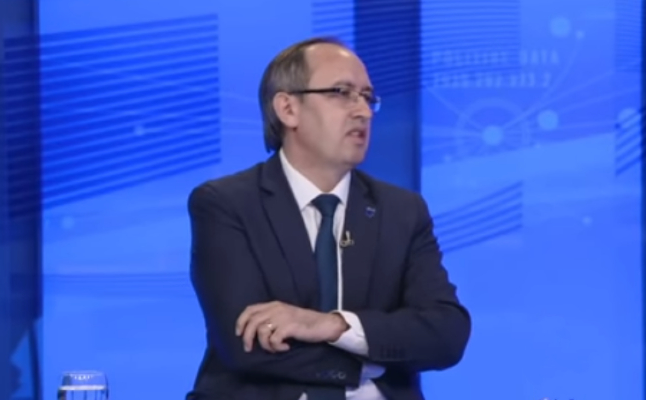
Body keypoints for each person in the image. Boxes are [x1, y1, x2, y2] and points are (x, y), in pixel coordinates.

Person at [185, 37, 471, 400]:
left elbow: (446, 334)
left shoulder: (402, 210)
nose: (363, 111)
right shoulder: (226, 203)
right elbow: (246, 342)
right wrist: (369, 360)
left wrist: (333, 326)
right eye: (341, 92)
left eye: (367, 97)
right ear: (288, 108)